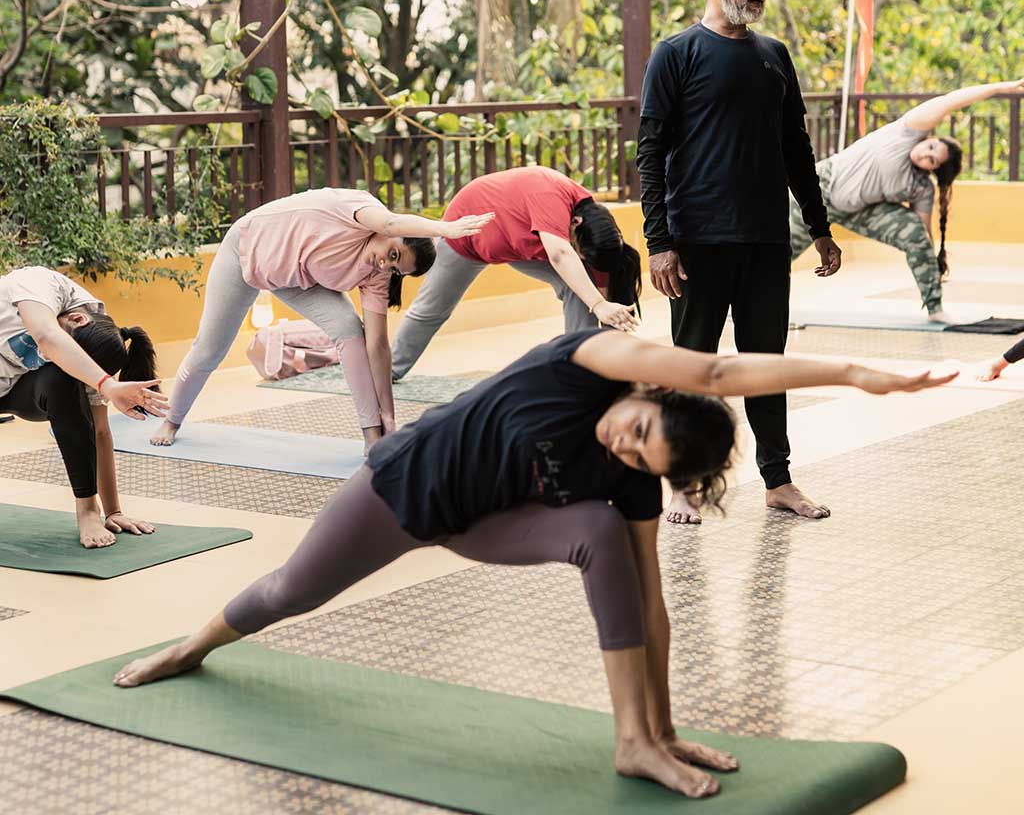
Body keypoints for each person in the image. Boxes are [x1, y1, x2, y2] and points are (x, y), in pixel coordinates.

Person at [113, 328, 953, 799]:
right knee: (290, 589)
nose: (624, 447)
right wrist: (857, 373)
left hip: (487, 525)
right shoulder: (589, 359)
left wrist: (669, 726)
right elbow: (717, 368)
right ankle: (192, 647)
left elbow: (650, 606)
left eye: (643, 460)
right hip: (406, 487)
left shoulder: (626, 485)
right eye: (637, 430)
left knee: (604, 535)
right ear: (646, 391)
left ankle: (639, 741)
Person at [637, 0, 842, 527]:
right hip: (697, 240)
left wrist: (819, 226)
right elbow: (651, 153)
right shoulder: (675, 54)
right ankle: (682, 483)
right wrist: (659, 242)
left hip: (764, 238)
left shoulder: (774, 54)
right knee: (693, 367)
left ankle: (778, 482)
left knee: (765, 363)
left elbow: (795, 149)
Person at [149, 188, 493, 452]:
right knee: (210, 350)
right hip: (244, 253)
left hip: (296, 280)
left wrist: (388, 414)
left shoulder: (378, 274)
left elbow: (378, 346)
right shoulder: (362, 210)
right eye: (393, 254)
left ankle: (371, 436)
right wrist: (444, 228)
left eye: (395, 267)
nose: (385, 264)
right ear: (396, 231)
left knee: (351, 333)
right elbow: (388, 222)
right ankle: (171, 420)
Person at [790, 80, 1023, 321]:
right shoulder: (907, 132)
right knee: (777, 251)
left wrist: (931, 266)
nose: (926, 154)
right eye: (931, 147)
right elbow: (949, 102)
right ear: (928, 137)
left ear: (933, 169)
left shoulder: (921, 188)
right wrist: (1002, 88)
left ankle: (935, 309)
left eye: (932, 160)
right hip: (819, 192)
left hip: (859, 210)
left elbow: (923, 234)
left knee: (916, 234)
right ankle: (758, 303)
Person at [391, 166, 642, 380]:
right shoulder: (548, 194)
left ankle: (579, 367)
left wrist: (611, 335)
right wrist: (598, 304)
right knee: (431, 311)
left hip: (515, 243)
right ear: (575, 223)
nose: (576, 255)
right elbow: (561, 255)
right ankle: (390, 369)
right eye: (576, 249)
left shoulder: (594, 225)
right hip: (468, 233)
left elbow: (596, 287)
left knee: (579, 287)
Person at [0, 267, 168, 548]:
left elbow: (99, 431)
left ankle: (88, 510)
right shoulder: (39, 283)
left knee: (60, 379)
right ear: (76, 318)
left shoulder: (94, 345)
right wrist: (109, 386)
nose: (45, 357)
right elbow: (47, 338)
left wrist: (113, 510)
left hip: (15, 391)